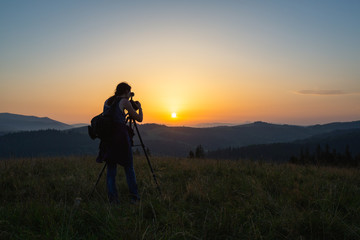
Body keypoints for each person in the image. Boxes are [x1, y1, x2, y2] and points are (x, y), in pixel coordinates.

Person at [98, 82, 143, 204]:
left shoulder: (107, 101)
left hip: (108, 139)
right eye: (129, 92)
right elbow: (139, 119)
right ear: (125, 91)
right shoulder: (124, 102)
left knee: (111, 169)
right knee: (129, 167)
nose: (129, 95)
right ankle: (134, 198)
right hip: (121, 139)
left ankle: (113, 200)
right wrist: (140, 107)